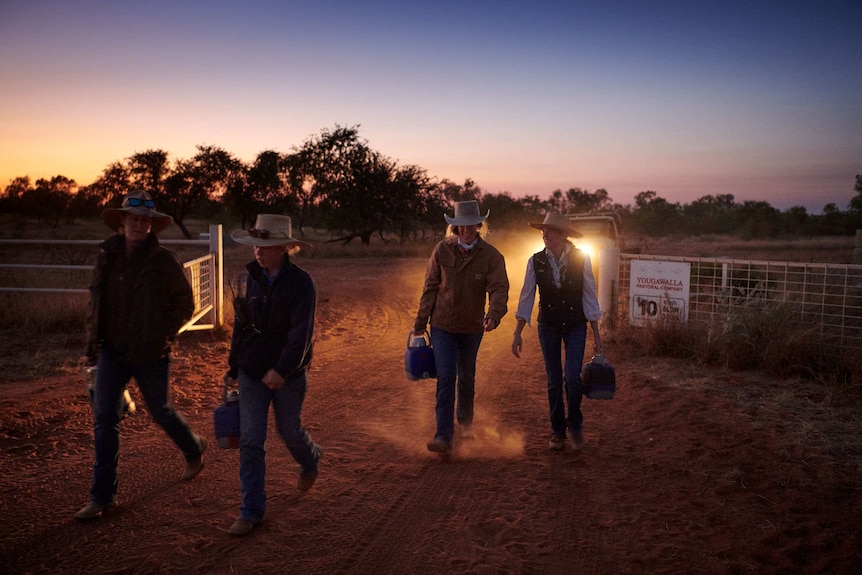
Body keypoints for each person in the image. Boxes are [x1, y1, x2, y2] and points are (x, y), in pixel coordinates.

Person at [75, 190, 205, 521]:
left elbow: (185, 305)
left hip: (150, 352)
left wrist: (162, 334)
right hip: (112, 351)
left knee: (160, 411)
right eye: (134, 219)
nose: (139, 225)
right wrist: (91, 347)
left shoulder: (163, 261)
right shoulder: (108, 255)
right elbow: (97, 301)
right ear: (123, 220)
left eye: (145, 221)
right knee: (105, 419)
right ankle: (102, 497)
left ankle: (193, 448)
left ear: (152, 226)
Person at [225, 213, 322, 536]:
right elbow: (241, 325)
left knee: (289, 431)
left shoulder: (302, 283)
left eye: (265, 245)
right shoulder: (249, 278)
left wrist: (282, 370)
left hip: (289, 374)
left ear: (283, 247)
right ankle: (250, 510)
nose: (258, 250)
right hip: (252, 370)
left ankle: (309, 460)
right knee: (251, 439)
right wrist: (232, 365)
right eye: (256, 244)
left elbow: (301, 334)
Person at [414, 200, 509, 456]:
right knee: (446, 378)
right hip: (442, 325)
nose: (466, 229)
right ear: (454, 227)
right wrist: (420, 323)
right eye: (461, 225)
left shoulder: (491, 256)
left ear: (479, 225)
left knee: (466, 377)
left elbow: (499, 288)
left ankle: (465, 424)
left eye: (471, 225)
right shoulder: (441, 250)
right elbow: (430, 287)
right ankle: (443, 436)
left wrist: (494, 315)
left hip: (471, 327)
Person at [511, 212, 604, 451]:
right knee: (553, 380)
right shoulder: (535, 261)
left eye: (550, 231)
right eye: (543, 231)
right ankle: (557, 431)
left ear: (563, 235)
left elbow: (589, 296)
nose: (545, 235)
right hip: (548, 324)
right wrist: (518, 331)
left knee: (572, 377)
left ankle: (575, 424)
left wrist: (597, 336)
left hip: (575, 324)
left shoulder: (582, 258)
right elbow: (527, 296)